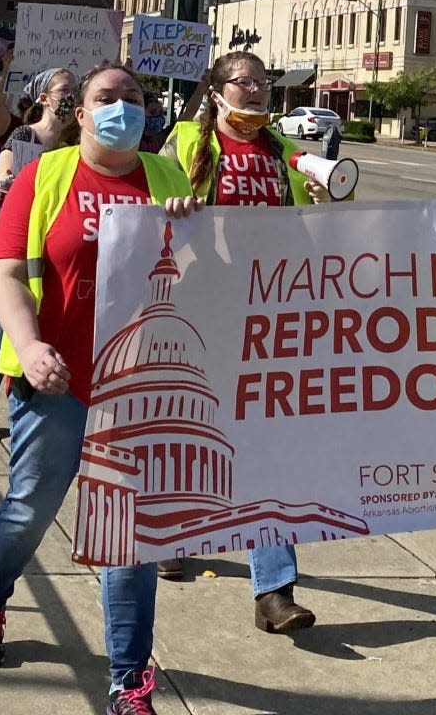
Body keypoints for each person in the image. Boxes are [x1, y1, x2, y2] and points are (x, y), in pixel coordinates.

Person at [0, 62, 195, 715]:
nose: (121, 107)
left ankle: (129, 681)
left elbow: (205, 278)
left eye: (134, 98)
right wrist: (30, 347)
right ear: (81, 113)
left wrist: (197, 231)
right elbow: (7, 271)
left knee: (130, 536)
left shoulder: (168, 178)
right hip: (56, 380)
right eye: (105, 97)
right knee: (31, 506)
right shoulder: (46, 174)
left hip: (138, 386)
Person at [159, 50, 325, 629]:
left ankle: (273, 590)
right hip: (200, 304)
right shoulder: (184, 143)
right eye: (243, 81)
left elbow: (304, 228)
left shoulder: (283, 151)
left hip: (266, 312)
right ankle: (175, 529)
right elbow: (144, 214)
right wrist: (170, 209)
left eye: (262, 82)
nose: (254, 91)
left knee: (264, 443)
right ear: (217, 90)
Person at [0, 67, 78, 439]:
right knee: (8, 328)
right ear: (43, 97)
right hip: (19, 240)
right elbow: (3, 174)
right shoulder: (25, 136)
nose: (72, 94)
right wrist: (12, 181)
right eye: (65, 89)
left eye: (76, 89)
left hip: (56, 241)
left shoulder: (77, 142)